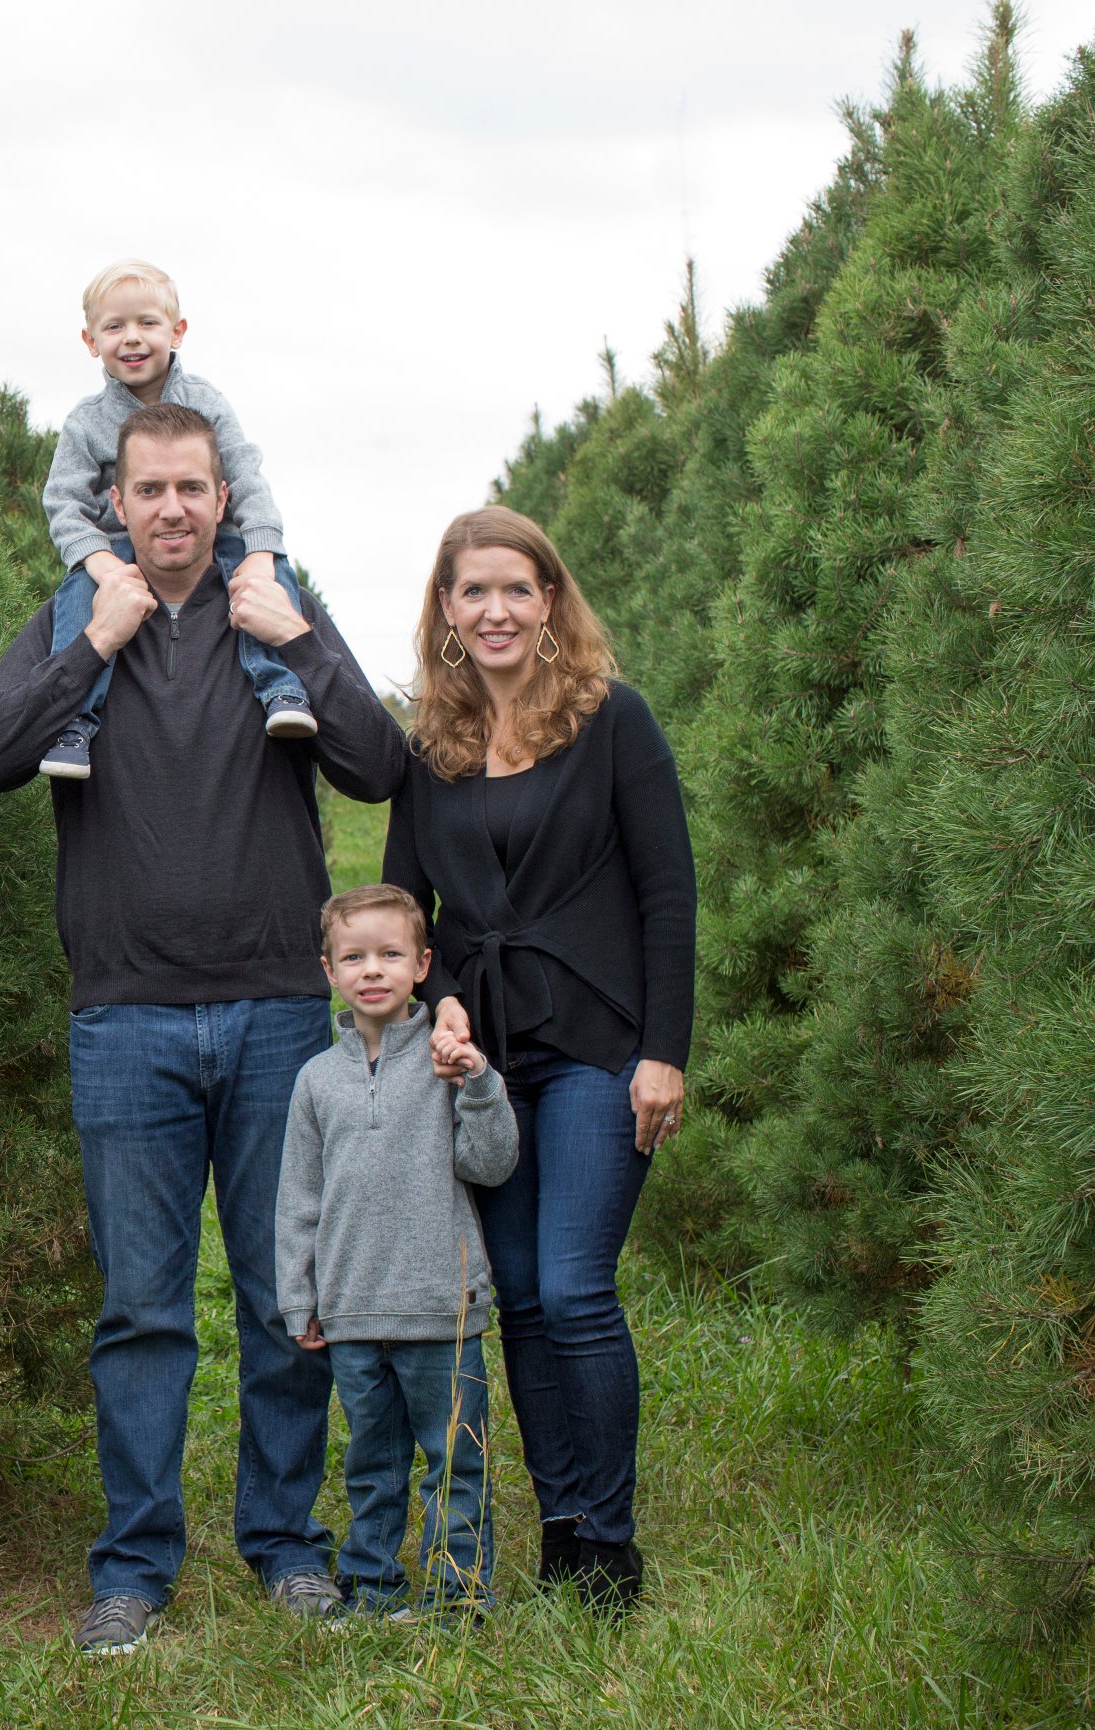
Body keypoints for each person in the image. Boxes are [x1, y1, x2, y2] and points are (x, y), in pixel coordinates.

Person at [0, 400, 407, 1655]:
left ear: (225, 498)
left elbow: (381, 765)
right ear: (116, 504)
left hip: (275, 1014)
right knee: (143, 1310)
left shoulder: (273, 606)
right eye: (146, 490)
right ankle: (134, 1563)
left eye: (191, 489)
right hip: (125, 1021)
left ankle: (285, 1542)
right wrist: (87, 651)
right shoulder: (76, 613)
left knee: (284, 1299)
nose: (169, 510)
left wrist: (303, 642)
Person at [382, 505, 697, 1614]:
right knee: (516, 1296)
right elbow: (411, 913)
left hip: (600, 1048)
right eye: (474, 591)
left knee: (572, 1289)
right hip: (490, 1067)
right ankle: (561, 1526)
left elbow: (668, 891)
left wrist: (665, 1051)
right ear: (448, 612)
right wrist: (445, 1002)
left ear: (550, 600)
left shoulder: (614, 721)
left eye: (518, 588)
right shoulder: (432, 752)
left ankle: (611, 1541)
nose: (497, 609)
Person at [277, 884, 518, 1622]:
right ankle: (373, 1590)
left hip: (440, 1311)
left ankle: (458, 1595)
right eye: (354, 957)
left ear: (422, 966)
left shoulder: (449, 1063)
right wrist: (299, 1296)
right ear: (329, 970)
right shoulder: (316, 1080)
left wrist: (477, 1083)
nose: (371, 970)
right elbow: (299, 1199)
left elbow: (492, 1163)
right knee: (371, 1466)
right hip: (351, 1313)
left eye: (389, 954)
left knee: (455, 1463)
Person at [35, 258, 316, 780]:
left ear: (177, 331)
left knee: (274, 576)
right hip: (118, 547)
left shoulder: (206, 402)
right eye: (114, 326)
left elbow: (247, 478)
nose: (132, 338)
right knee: (76, 596)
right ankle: (74, 723)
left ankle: (282, 688)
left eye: (147, 323)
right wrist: (100, 565)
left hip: (214, 540)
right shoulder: (85, 423)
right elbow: (64, 504)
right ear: (90, 340)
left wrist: (259, 553)